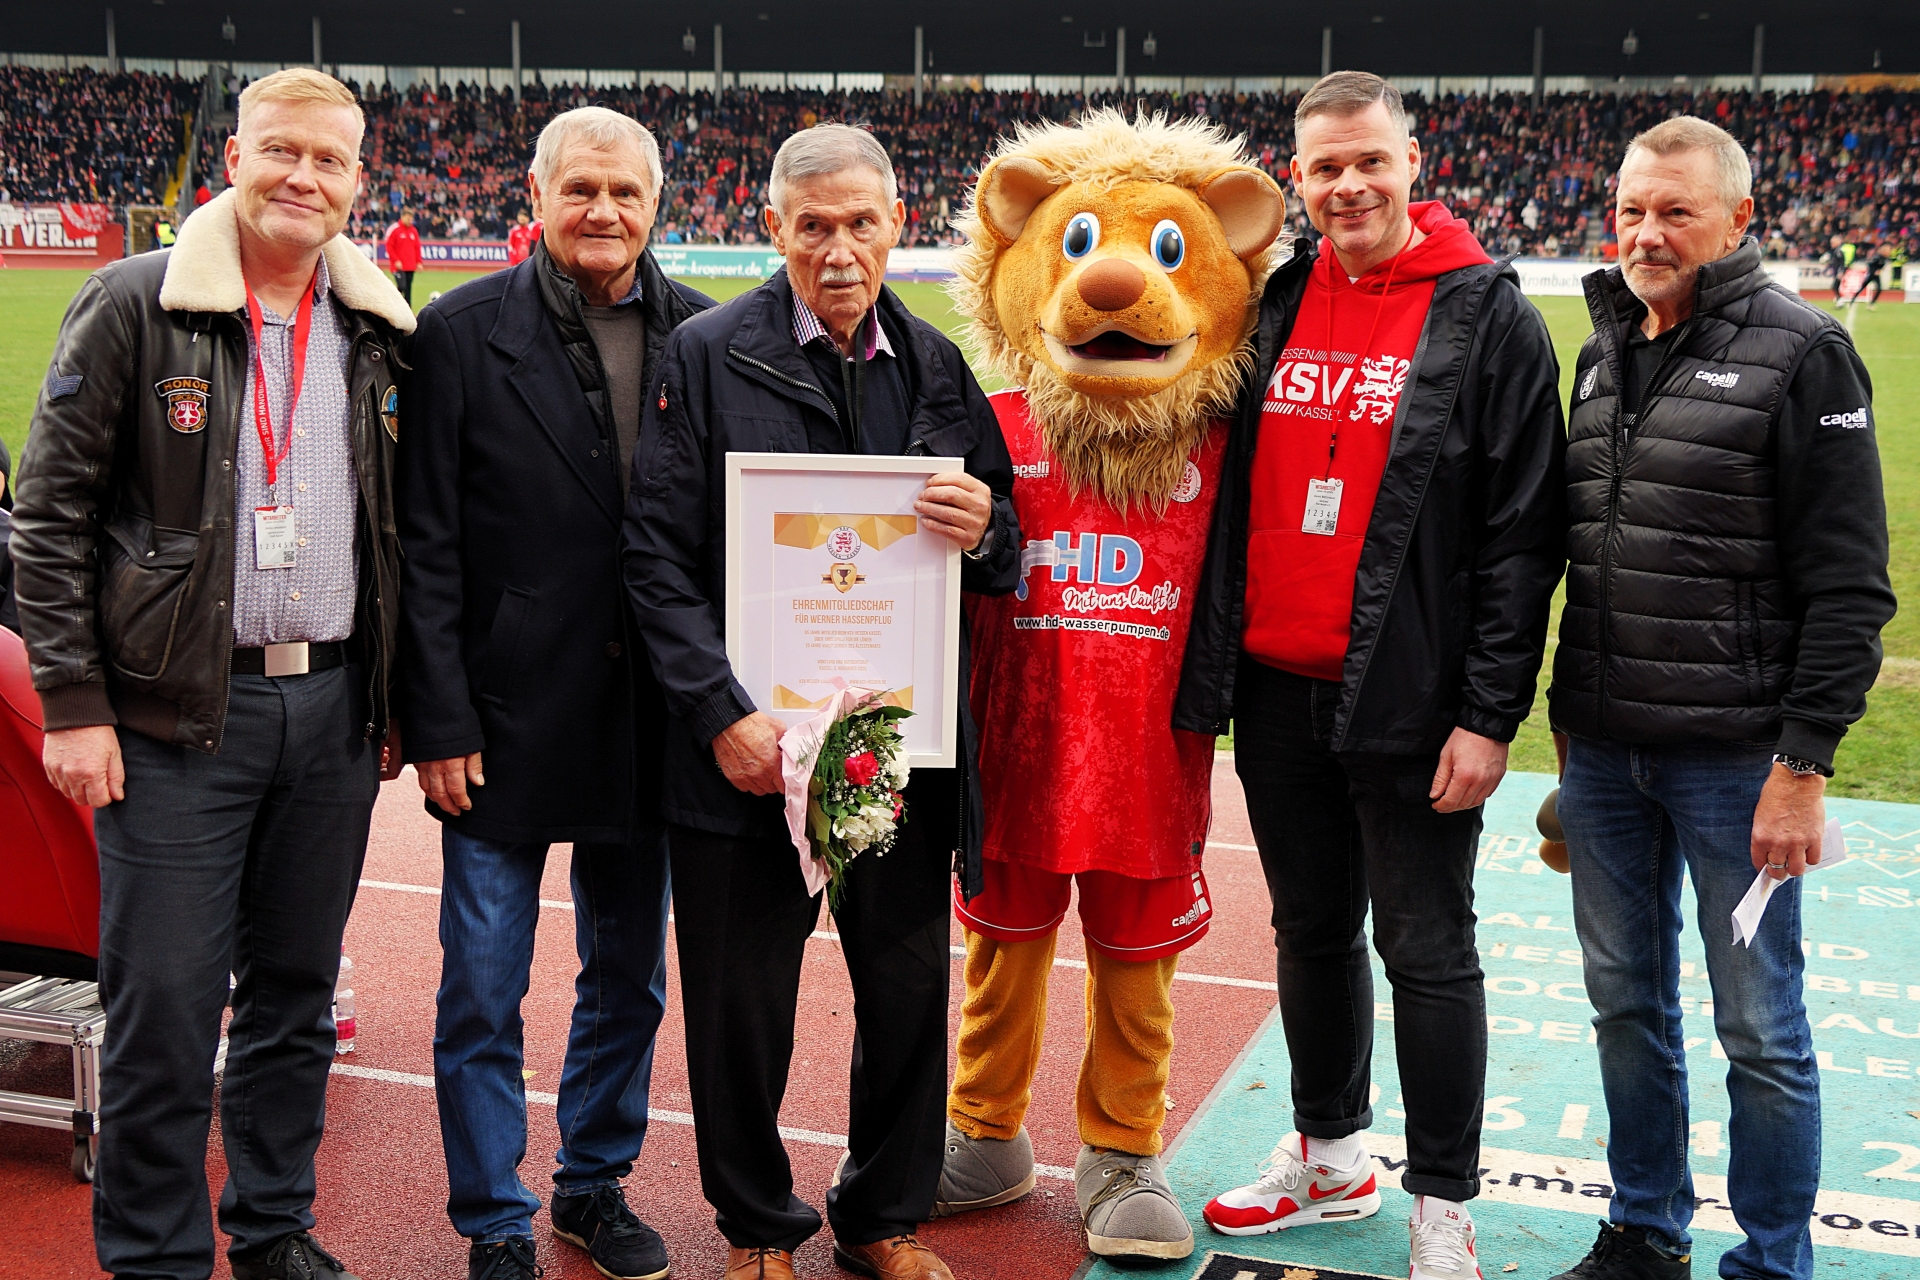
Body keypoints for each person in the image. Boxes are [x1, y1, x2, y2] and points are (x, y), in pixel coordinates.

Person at [9, 67, 410, 1280]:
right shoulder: (135, 301)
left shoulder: (380, 329)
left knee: (295, 997)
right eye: (281, 150)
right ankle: (156, 1255)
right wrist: (74, 704)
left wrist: (391, 697)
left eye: (328, 159)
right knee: (168, 1009)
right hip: (178, 716)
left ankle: (273, 1228)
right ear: (233, 159)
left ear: (357, 179)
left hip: (331, 708)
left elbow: (404, 531)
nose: (303, 177)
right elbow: (49, 516)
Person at [1177, 71, 1566, 1280]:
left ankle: (1442, 1200)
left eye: (1369, 161)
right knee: (1310, 930)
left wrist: (1488, 715)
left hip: (1414, 697)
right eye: (1325, 167)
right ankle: (1331, 1154)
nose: (1349, 185)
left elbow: (1523, 536)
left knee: (1427, 946)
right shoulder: (1280, 296)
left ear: (1412, 160)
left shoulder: (1488, 313)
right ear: (1297, 176)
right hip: (1275, 689)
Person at [623, 123, 1020, 1280]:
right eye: (813, 227)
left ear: (898, 223)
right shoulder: (705, 354)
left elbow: (1003, 543)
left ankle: (881, 1214)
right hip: (752, 751)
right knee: (742, 1004)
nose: (838, 250)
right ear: (773, 229)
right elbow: (654, 556)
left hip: (900, 752)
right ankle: (756, 1226)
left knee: (905, 991)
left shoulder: (936, 364)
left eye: (859, 223)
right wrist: (721, 714)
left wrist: (987, 526)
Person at [1545, 116, 1894, 1280]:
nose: (1648, 232)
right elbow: (1588, 553)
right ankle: (1645, 1228)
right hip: (1605, 757)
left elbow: (1850, 585)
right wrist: (1571, 728)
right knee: (1624, 1005)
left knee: (1759, 1027)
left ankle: (1773, 1260)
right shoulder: (1601, 349)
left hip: (1738, 763)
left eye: (1677, 211)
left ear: (1740, 219)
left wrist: (1803, 766)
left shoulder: (1806, 352)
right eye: (1632, 210)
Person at [398, 106, 713, 1280]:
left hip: (651, 717)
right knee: (483, 985)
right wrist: (437, 715)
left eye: (626, 192)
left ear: (657, 204)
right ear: (535, 196)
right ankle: (494, 1219)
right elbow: (426, 543)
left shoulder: (707, 333)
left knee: (628, 976)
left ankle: (592, 1183)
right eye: (581, 188)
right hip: (503, 715)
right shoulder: (459, 330)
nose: (604, 211)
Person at [386, 207, 422, 304]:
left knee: (408, 289)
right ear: (402, 217)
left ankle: (408, 309)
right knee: (402, 286)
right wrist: (396, 260)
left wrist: (419, 262)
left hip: (410, 265)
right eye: (408, 219)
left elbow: (417, 247)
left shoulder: (413, 231)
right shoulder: (395, 230)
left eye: (411, 219)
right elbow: (389, 247)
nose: (410, 221)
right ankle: (392, 303)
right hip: (399, 266)